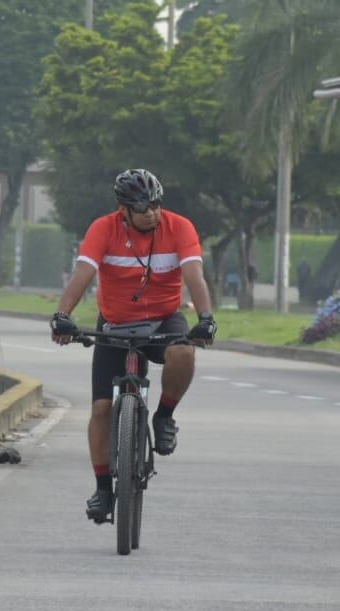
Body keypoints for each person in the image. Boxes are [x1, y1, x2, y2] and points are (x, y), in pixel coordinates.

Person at [49, 168, 216, 524]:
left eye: (155, 205)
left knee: (184, 352)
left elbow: (194, 276)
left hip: (163, 318)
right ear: (122, 209)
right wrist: (62, 315)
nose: (151, 213)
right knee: (100, 411)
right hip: (114, 324)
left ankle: (164, 415)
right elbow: (83, 273)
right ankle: (103, 490)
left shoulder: (179, 227)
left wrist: (206, 318)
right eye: (142, 208)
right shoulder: (103, 229)